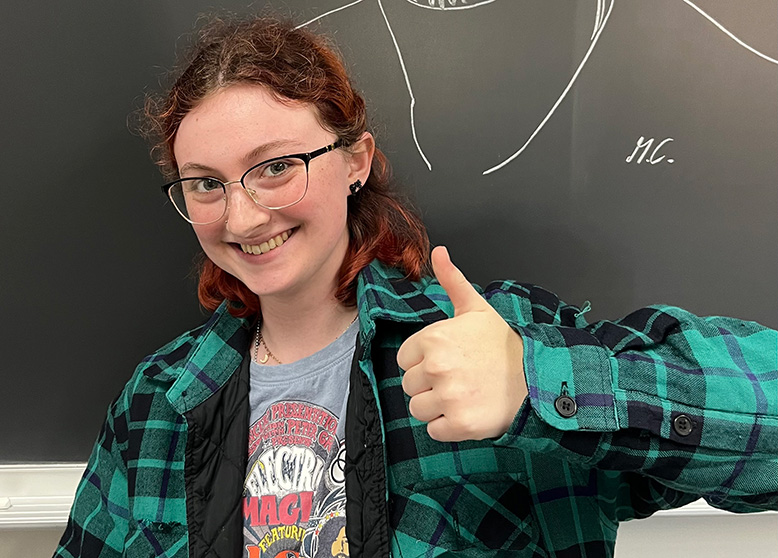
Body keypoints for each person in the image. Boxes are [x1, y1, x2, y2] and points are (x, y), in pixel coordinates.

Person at [54, 15, 777, 558]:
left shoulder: (496, 341)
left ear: (356, 160)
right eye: (205, 184)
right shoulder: (157, 406)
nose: (241, 215)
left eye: (275, 166)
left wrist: (538, 385)